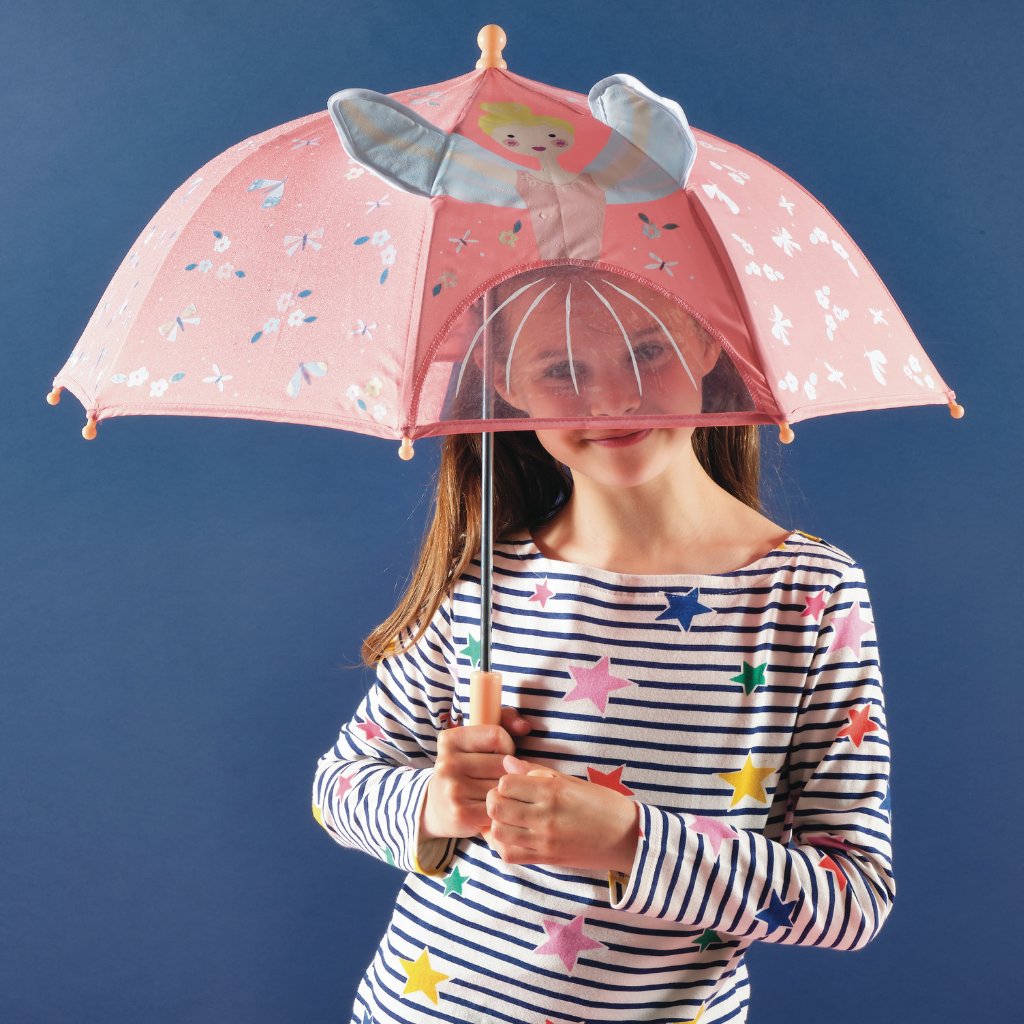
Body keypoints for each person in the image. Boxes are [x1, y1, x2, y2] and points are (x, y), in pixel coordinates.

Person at [312, 265, 894, 1024]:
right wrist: (433, 801)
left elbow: (852, 898)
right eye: (561, 368)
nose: (614, 398)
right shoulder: (484, 583)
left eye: (648, 352)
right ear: (503, 381)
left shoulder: (811, 596)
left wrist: (629, 839)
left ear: (707, 342)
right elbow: (338, 788)